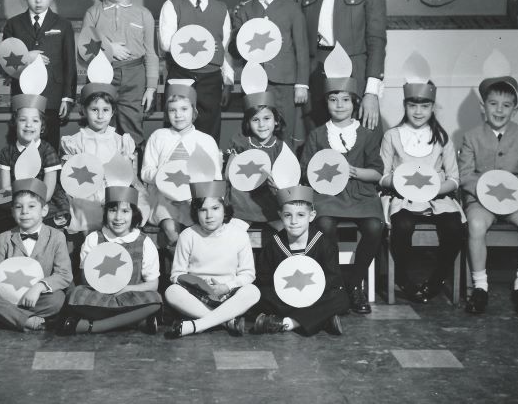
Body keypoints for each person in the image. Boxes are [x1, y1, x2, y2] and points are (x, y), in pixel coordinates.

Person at [300, 44, 384, 314]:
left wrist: (354, 171)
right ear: (326, 103)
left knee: (374, 227)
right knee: (324, 224)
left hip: (361, 193)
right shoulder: (317, 135)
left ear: (355, 103)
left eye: (345, 99)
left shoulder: (368, 134)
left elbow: (378, 172)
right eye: (333, 99)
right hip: (329, 195)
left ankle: (355, 282)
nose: (339, 105)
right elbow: (305, 172)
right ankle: (334, 283)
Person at [460, 74, 518, 316]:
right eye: (493, 104)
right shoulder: (471, 137)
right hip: (480, 201)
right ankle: (480, 287)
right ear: (482, 106)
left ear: (515, 110)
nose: (499, 110)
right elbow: (465, 174)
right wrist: (485, 193)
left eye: (506, 105)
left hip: (516, 201)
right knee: (475, 224)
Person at [298, 0, 386, 131]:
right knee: (318, 148)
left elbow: (376, 42)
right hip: (316, 79)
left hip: (354, 79)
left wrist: (371, 92)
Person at [379, 78, 464, 303]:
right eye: (412, 105)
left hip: (437, 198)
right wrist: (401, 184)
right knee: (403, 225)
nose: (418, 112)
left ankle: (437, 279)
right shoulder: (392, 136)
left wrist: (434, 189)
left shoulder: (442, 138)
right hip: (403, 198)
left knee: (454, 226)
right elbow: (383, 175)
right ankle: (403, 278)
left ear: (433, 108)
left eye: (424, 106)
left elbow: (454, 178)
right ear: (405, 105)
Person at [77, 0, 157, 149]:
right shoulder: (93, 13)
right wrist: (109, 47)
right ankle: (102, 174)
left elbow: (151, 53)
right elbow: (85, 46)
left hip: (134, 75)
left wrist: (151, 87)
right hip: (102, 74)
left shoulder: (143, 14)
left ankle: (132, 175)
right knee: (101, 125)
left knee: (132, 126)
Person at [231, 0, 309, 147]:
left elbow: (301, 49)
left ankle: (287, 173)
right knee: (255, 128)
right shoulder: (244, 10)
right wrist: (240, 33)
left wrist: (302, 83)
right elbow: (235, 51)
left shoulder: (292, 9)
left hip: (285, 83)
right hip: (254, 82)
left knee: (285, 128)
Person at [58, 185, 162, 335]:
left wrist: (126, 289)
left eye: (125, 211)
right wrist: (106, 289)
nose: (118, 217)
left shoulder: (144, 242)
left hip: (130, 295)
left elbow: (153, 284)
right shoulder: (94, 239)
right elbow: (85, 279)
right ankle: (136, 321)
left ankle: (91, 326)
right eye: (113, 210)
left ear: (134, 214)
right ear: (105, 212)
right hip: (99, 295)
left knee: (155, 300)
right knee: (76, 295)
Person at [164, 181, 260, 338]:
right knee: (171, 291)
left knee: (253, 291)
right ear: (196, 212)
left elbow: (248, 274)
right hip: (198, 296)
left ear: (224, 209)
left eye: (215, 208)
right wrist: (198, 285)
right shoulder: (188, 235)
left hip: (229, 294)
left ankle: (196, 325)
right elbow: (176, 275)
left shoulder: (239, 235)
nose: (209, 216)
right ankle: (227, 321)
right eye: (203, 210)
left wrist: (227, 287)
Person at [60, 68, 149, 235]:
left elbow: (128, 175)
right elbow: (69, 177)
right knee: (89, 214)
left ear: (113, 111)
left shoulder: (120, 141)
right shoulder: (75, 141)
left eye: (105, 110)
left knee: (127, 210)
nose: (100, 116)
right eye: (94, 110)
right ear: (84, 110)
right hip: (86, 194)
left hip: (115, 193)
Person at [159, 0, 234, 142]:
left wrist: (227, 79)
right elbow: (166, 44)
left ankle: (207, 171)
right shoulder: (172, 5)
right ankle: (175, 170)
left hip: (210, 79)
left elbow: (222, 46)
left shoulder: (221, 9)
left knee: (208, 129)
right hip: (181, 76)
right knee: (177, 128)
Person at [0, 179, 72, 331]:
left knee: (58, 300)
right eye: (19, 207)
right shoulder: (4, 238)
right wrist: (5, 279)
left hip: (39, 297)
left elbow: (64, 274)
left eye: (31, 206)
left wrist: (39, 287)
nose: (25, 212)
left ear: (44, 210)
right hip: (8, 297)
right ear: (12, 211)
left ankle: (4, 318)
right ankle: (30, 320)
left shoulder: (57, 237)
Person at [253, 185, 348, 336]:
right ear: (280, 215)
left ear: (312, 216)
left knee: (340, 298)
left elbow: (333, 278)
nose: (294, 221)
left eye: (301, 215)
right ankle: (322, 319)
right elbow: (264, 277)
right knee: (258, 294)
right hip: (284, 297)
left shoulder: (324, 243)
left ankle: (287, 323)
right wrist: (283, 290)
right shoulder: (274, 243)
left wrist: (311, 291)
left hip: (315, 296)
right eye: (288, 215)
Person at [2, 0, 76, 150]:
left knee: (49, 145)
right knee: (21, 145)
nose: (38, 0)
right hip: (23, 98)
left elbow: (69, 65)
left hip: (52, 96)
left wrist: (67, 97)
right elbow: (5, 63)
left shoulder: (63, 25)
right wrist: (26, 58)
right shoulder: (13, 25)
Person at [141, 82, 222, 248]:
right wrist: (162, 177)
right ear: (166, 113)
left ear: (194, 111)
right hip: (163, 198)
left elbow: (215, 177)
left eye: (184, 109)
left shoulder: (205, 140)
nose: (178, 115)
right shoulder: (159, 136)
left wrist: (201, 199)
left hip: (195, 199)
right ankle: (180, 271)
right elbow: (146, 171)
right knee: (172, 232)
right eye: (173, 110)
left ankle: (195, 268)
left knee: (200, 237)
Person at [0, 91, 68, 231]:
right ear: (15, 124)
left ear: (42, 126)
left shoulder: (47, 152)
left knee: (48, 224)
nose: (29, 125)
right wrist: (21, 207)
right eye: (23, 120)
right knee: (5, 223)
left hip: (42, 202)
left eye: (35, 120)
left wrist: (32, 206)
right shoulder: (6, 153)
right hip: (14, 202)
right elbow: (4, 190)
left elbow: (47, 192)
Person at [225, 88, 289, 225]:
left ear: (276, 120)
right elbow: (228, 174)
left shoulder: (280, 146)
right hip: (244, 201)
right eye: (255, 120)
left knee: (285, 231)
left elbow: (287, 179)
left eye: (267, 118)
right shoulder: (241, 142)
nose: (261, 125)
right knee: (236, 232)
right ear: (248, 123)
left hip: (271, 201)